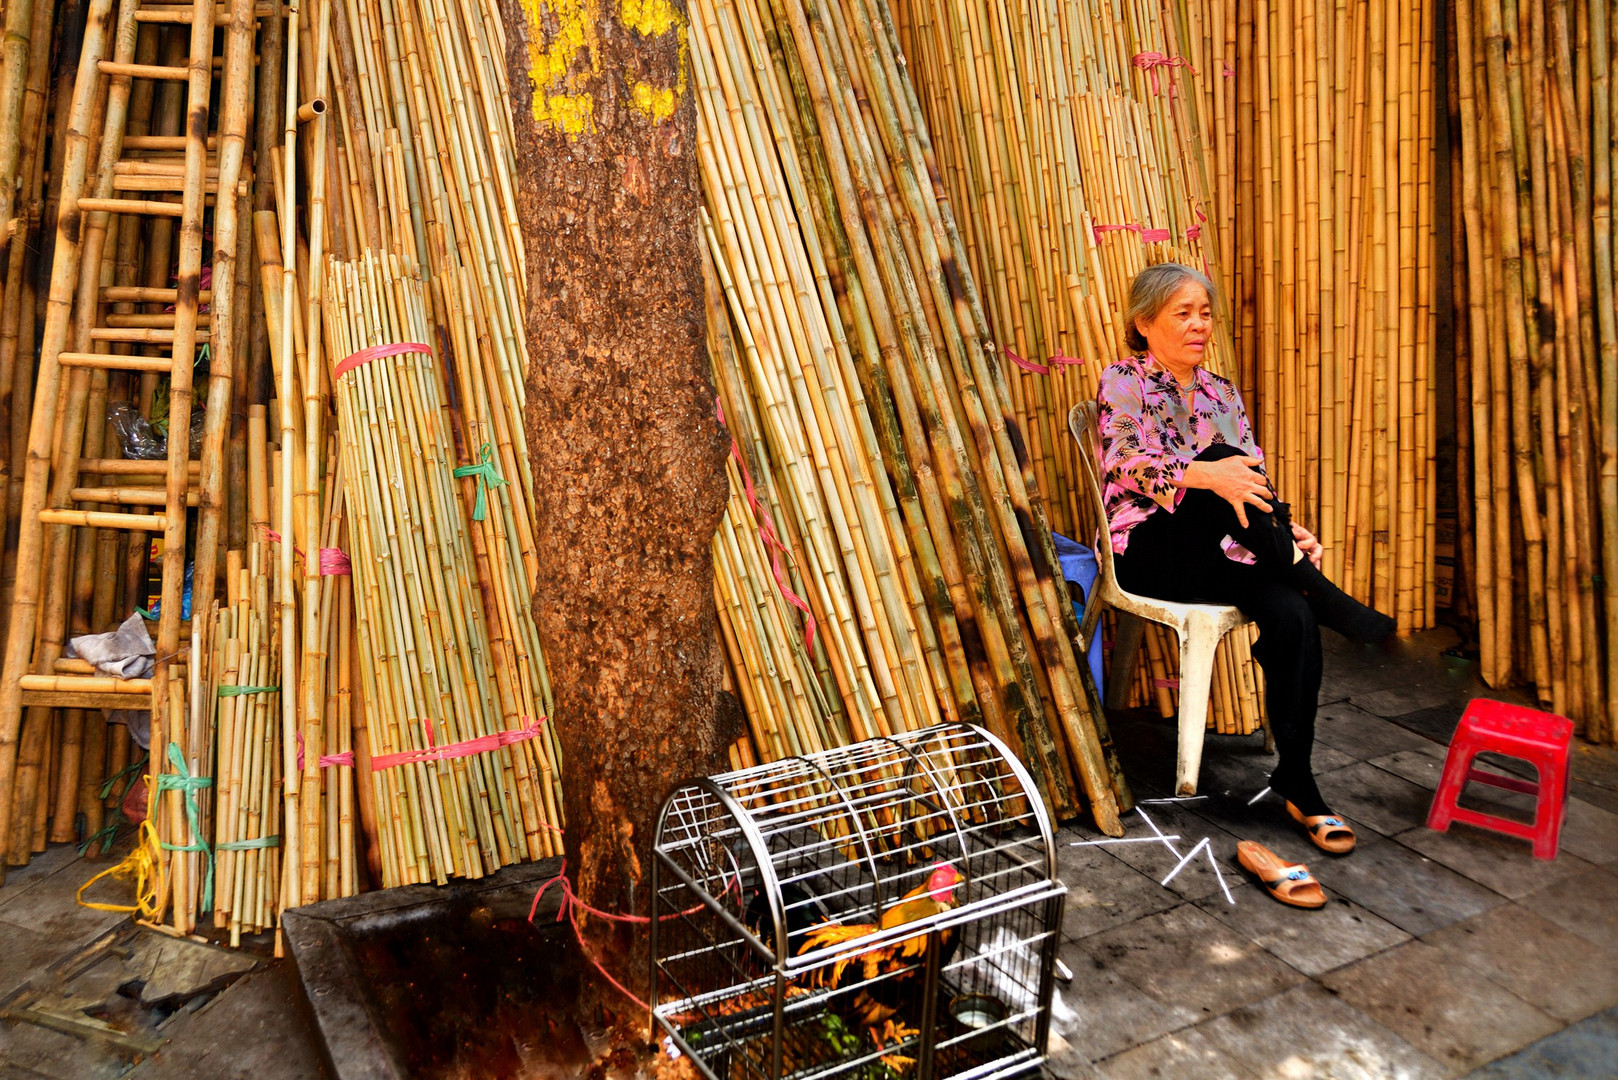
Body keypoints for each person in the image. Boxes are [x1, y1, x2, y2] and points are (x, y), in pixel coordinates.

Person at [1096, 262, 1394, 855]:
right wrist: (1213, 475)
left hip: (1225, 555)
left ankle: (1300, 782)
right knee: (1221, 464)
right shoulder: (1123, 380)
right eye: (1183, 313)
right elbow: (1124, 463)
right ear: (1144, 322)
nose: (1199, 324)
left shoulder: (1221, 392)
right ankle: (1325, 592)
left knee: (1291, 613)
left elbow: (1251, 485)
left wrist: (1286, 528)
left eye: (1204, 312)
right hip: (1150, 549)